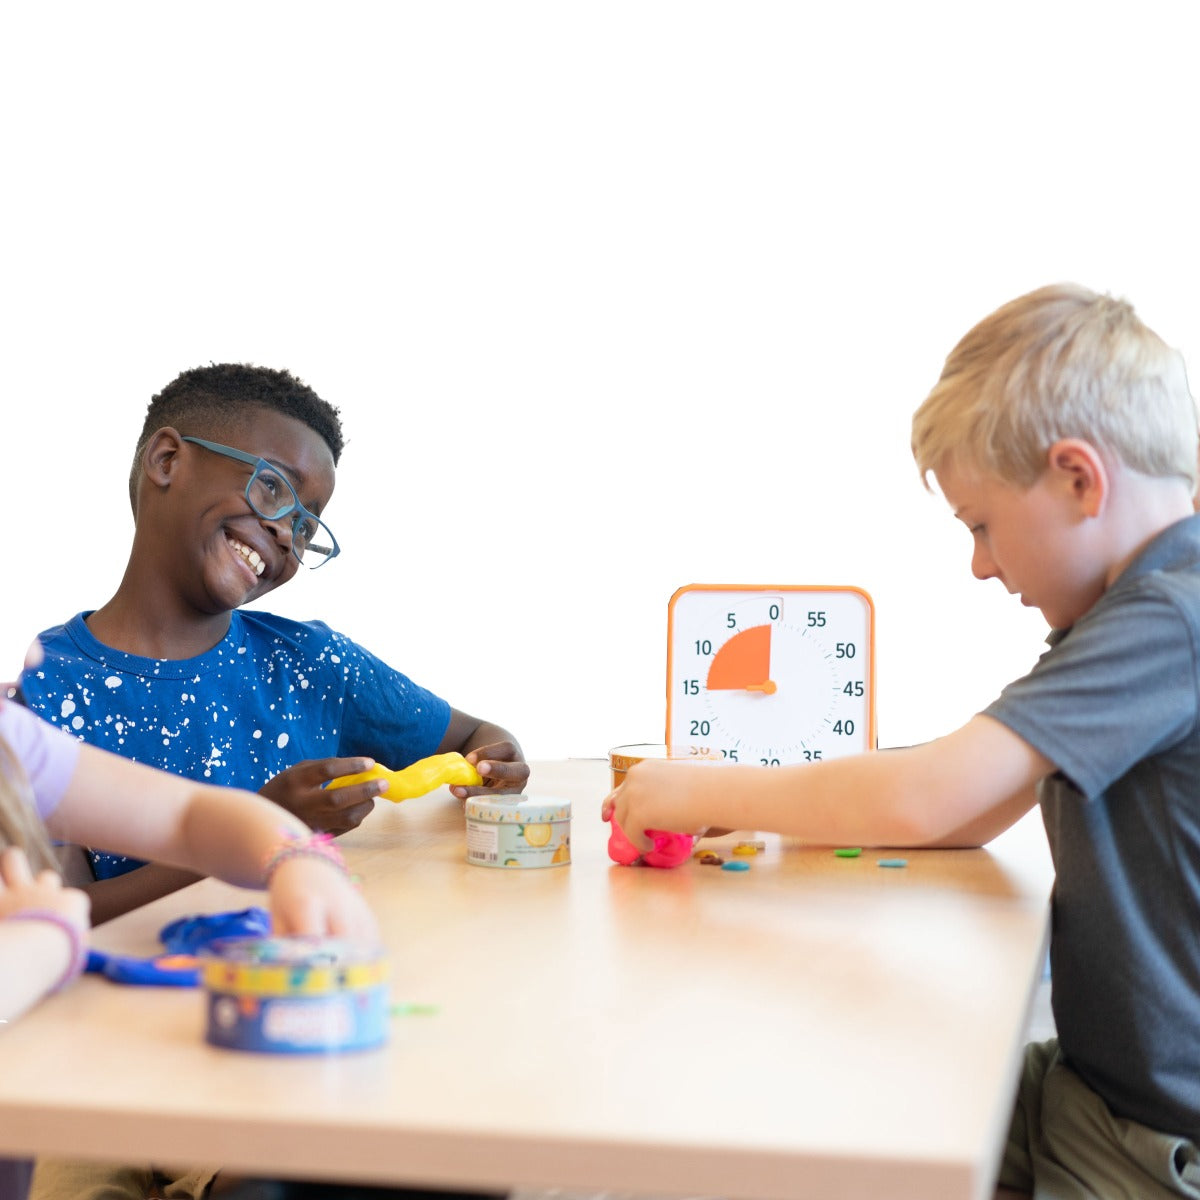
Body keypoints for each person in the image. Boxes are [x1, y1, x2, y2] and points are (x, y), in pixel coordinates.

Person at [606, 284, 1200, 1199]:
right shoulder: (1126, 618)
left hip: (1152, 1136)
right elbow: (962, 809)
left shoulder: (1169, 619)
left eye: (982, 526)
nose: (982, 564)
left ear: (1080, 479)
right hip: (1092, 1083)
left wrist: (700, 787)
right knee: (829, 1104)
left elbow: (926, 796)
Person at [19, 363, 528, 924]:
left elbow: (478, 740)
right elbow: (58, 916)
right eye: (271, 486)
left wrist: (497, 763)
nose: (288, 532)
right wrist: (265, 831)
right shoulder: (41, 698)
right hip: (136, 1004)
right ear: (167, 461)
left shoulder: (315, 664)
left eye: (308, 525)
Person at [0, 688, 378, 1200]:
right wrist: (44, 940)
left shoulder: (11, 738)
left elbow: (189, 814)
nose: (35, 653)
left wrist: (297, 857)